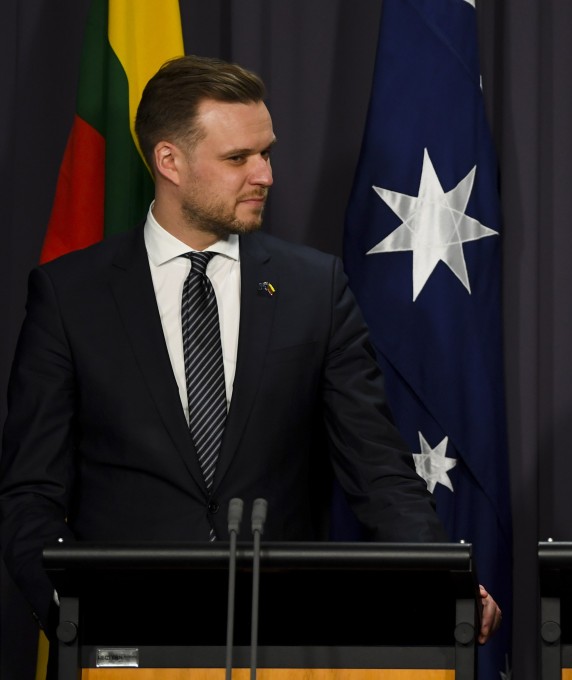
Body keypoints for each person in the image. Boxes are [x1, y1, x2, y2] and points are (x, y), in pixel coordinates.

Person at [0, 55, 499, 646]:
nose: (265, 174)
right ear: (170, 162)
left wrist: (441, 574)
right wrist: (69, 613)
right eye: (239, 158)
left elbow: (378, 470)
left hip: (281, 636)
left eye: (266, 152)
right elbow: (32, 490)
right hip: (124, 638)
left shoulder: (316, 289)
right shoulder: (69, 296)